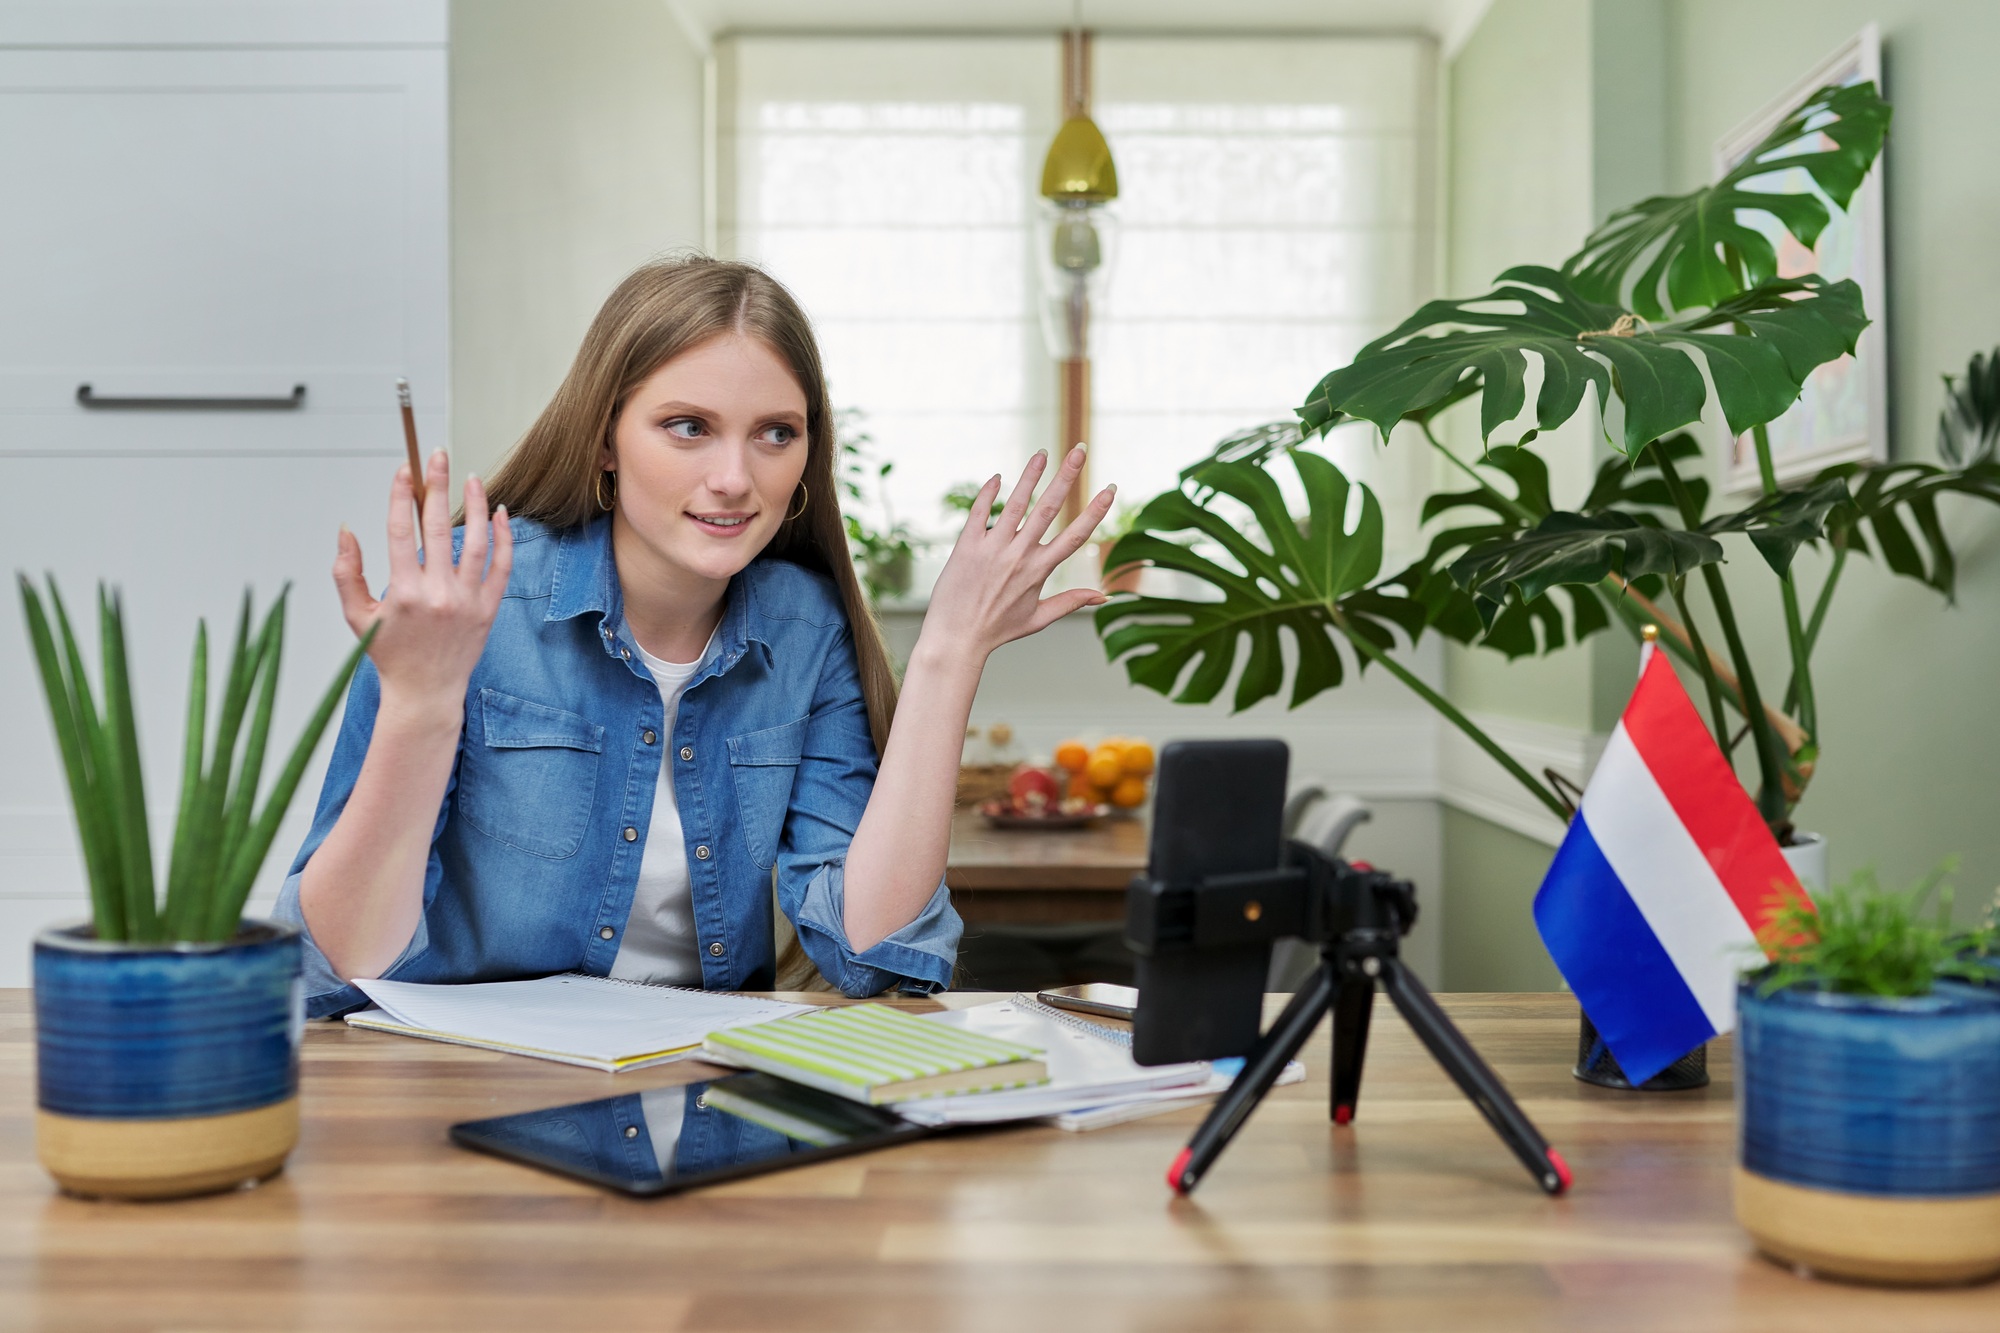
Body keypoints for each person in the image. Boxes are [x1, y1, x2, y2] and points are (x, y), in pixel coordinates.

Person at [277, 257, 1113, 1018]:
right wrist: (421, 702)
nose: (734, 479)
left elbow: (871, 953)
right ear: (605, 440)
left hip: (698, 1084)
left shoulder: (805, 622)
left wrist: (948, 652)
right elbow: (343, 963)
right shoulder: (463, 594)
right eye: (687, 426)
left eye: (776, 433)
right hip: (454, 1085)